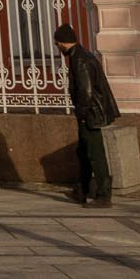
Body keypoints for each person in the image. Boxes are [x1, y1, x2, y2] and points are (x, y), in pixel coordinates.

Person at [55, 24, 119, 207]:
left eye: (57, 43)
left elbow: (86, 91)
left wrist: (82, 114)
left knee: (95, 154)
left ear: (62, 43)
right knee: (83, 152)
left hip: (90, 113)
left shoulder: (79, 60)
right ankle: (82, 190)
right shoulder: (82, 55)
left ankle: (103, 195)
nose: (57, 48)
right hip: (91, 111)